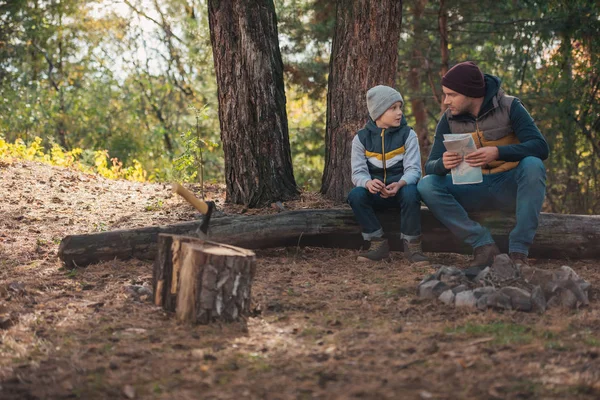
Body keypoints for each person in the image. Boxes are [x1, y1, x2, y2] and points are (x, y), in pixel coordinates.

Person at [417, 61, 549, 269]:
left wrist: (498, 152)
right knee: (427, 184)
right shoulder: (448, 119)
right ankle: (482, 244)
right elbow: (431, 166)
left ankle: (519, 251)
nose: (445, 101)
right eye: (445, 94)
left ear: (470, 92)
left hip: (508, 187)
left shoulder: (510, 107)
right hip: (472, 189)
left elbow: (541, 148)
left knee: (533, 165)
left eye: (451, 95)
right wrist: (442, 163)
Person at [347, 85, 429, 265]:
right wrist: (368, 183)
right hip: (375, 193)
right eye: (393, 108)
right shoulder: (361, 139)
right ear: (378, 112)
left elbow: (414, 170)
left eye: (400, 107)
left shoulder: (408, 135)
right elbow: (358, 173)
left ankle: (412, 245)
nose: (399, 112)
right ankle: (377, 243)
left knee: (411, 192)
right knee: (355, 195)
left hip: (400, 191)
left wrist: (400, 184)